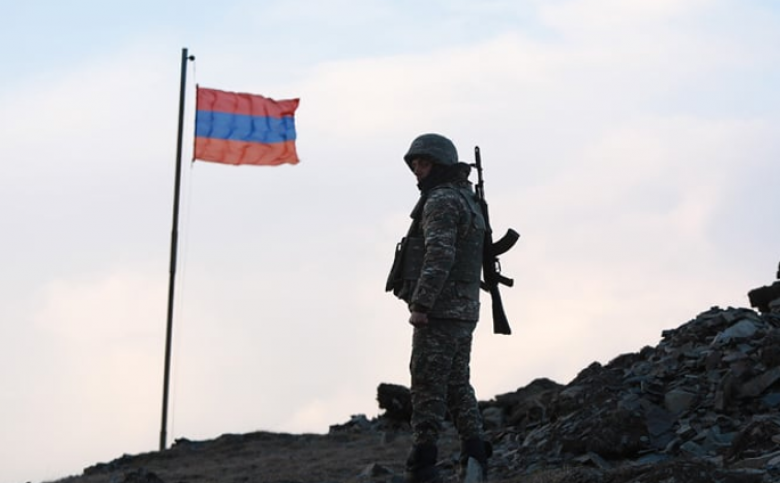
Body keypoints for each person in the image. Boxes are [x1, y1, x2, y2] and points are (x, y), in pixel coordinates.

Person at [386, 133, 491, 483]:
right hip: (464, 308)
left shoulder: (442, 200)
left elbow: (440, 255)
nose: (417, 170)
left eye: (424, 163)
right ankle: (475, 455)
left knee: (427, 385)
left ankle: (423, 463)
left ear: (440, 165)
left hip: (440, 311)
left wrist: (421, 304)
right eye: (415, 164)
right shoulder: (466, 199)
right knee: (458, 384)